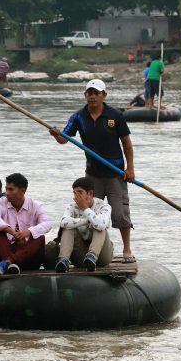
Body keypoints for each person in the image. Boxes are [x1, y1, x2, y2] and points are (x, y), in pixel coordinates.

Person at [49, 79, 136, 263]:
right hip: (93, 174)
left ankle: (127, 250)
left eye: (96, 93)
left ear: (104, 95)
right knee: (87, 211)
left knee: (119, 213)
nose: (92, 96)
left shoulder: (115, 116)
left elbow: (126, 143)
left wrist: (130, 168)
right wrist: (57, 135)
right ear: (85, 95)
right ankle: (90, 251)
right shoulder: (79, 116)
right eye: (89, 93)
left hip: (115, 173)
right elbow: (65, 139)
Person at [0, 173, 52, 274]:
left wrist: (28, 232)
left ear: (22, 191)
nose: (7, 193)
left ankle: (8, 262)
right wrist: (11, 231)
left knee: (40, 237)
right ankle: (9, 263)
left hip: (28, 258)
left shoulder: (35, 205)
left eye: (11, 189)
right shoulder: (1, 202)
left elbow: (48, 223)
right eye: (6, 189)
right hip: (8, 251)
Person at [50, 177, 113, 272]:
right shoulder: (72, 206)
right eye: (74, 193)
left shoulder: (103, 206)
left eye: (80, 192)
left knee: (99, 226)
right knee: (68, 227)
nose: (76, 196)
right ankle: (63, 260)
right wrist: (86, 220)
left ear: (90, 193)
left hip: (102, 256)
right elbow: (63, 222)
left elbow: (101, 224)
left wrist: (85, 209)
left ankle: (92, 255)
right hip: (81, 256)